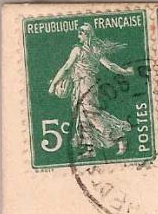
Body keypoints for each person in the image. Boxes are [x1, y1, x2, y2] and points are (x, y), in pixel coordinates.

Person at [49, 23, 133, 159]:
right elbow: (110, 66)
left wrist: (53, 84)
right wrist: (125, 72)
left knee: (92, 115)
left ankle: (120, 137)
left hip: (84, 85)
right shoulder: (95, 50)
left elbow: (65, 67)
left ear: (86, 34)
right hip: (85, 86)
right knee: (82, 117)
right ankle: (90, 149)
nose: (78, 36)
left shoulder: (78, 50)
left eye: (80, 33)